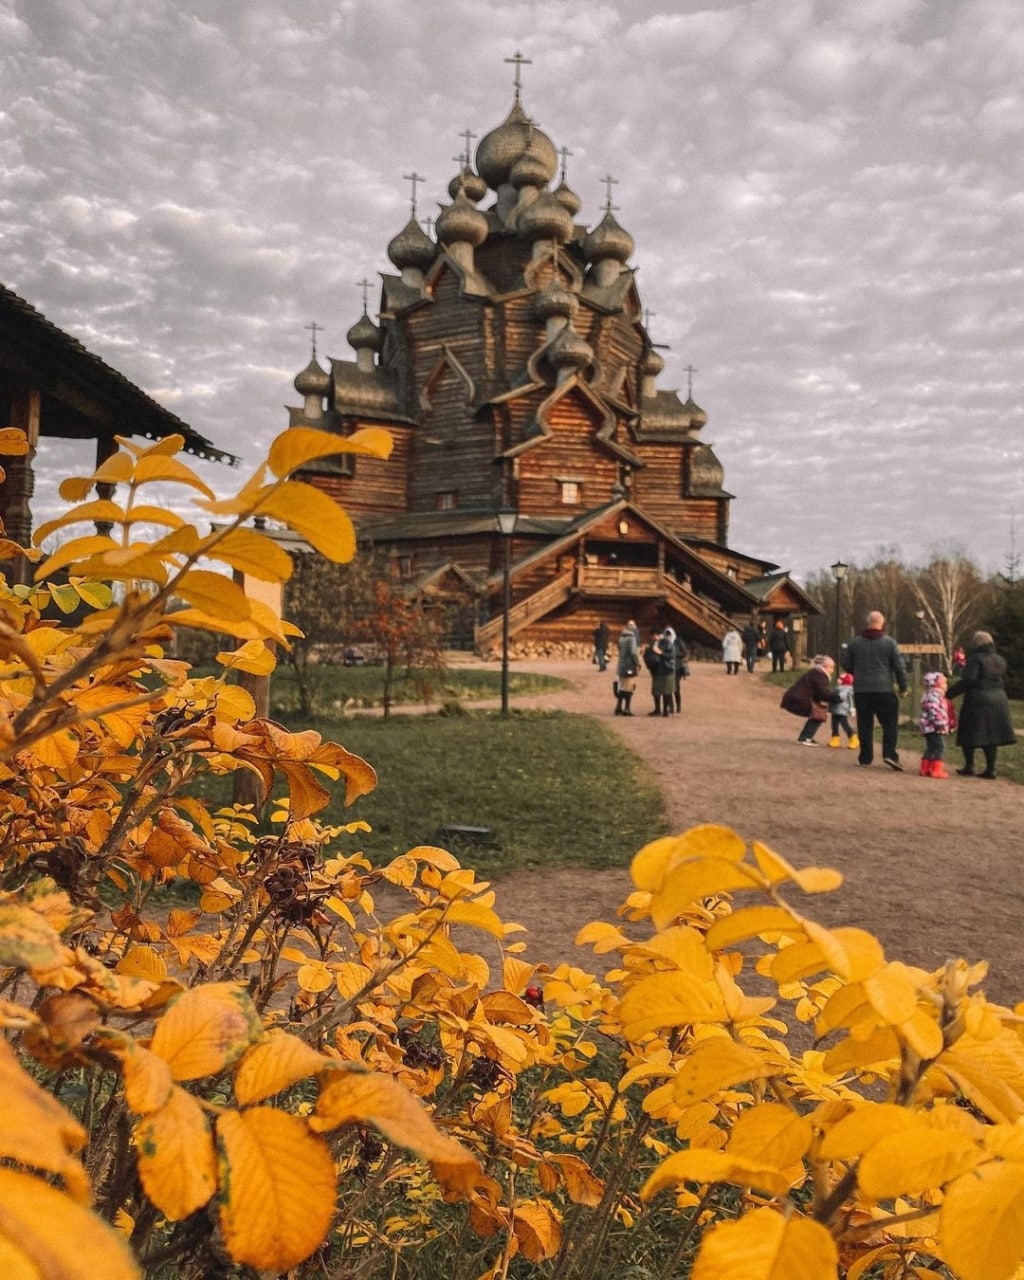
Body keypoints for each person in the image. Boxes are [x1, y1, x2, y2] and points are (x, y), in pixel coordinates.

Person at [841, 610, 908, 770]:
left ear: (867, 623)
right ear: (881, 624)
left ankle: (865, 757)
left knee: (865, 724)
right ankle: (889, 754)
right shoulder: (889, 643)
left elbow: (846, 664)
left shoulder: (855, 643)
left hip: (862, 690)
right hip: (884, 689)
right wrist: (903, 686)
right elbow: (899, 667)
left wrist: (857, 671)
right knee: (890, 724)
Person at [946, 630, 1016, 778]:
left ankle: (969, 765)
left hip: (978, 699)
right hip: (999, 698)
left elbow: (969, 680)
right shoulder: (1000, 659)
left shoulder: (975, 659)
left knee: (968, 731)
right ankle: (991, 769)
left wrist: (949, 694)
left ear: (976, 644)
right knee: (992, 734)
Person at [780, 655, 835, 744]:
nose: (832, 671)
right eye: (831, 668)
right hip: (799, 699)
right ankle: (806, 738)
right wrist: (836, 697)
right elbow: (823, 692)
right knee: (819, 714)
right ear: (825, 667)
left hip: (796, 698)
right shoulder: (820, 675)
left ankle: (804, 737)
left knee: (816, 714)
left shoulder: (815, 673)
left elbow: (819, 692)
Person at [918, 670, 951, 778]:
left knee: (931, 747)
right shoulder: (934, 695)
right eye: (944, 683)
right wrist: (940, 723)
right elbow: (934, 710)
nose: (946, 685)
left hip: (929, 726)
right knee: (940, 747)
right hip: (934, 726)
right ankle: (937, 769)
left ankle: (925, 768)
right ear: (936, 684)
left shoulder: (931, 695)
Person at [614, 620, 640, 716]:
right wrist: (638, 663)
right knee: (629, 688)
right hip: (629, 667)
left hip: (621, 666)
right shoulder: (631, 639)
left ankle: (618, 707)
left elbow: (620, 650)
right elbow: (633, 653)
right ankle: (627, 709)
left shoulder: (621, 638)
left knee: (621, 687)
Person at [828, 673, 859, 750]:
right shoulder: (841, 687)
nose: (838, 680)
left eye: (840, 679)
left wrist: (832, 697)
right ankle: (835, 739)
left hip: (841, 709)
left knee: (844, 724)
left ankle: (853, 739)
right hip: (836, 709)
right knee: (834, 724)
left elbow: (841, 696)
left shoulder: (845, 688)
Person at [671, 628, 689, 713]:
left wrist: (675, 655)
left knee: (676, 687)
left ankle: (678, 705)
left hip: (677, 667)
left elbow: (684, 653)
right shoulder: (665, 642)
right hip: (668, 667)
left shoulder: (678, 642)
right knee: (668, 688)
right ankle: (670, 706)